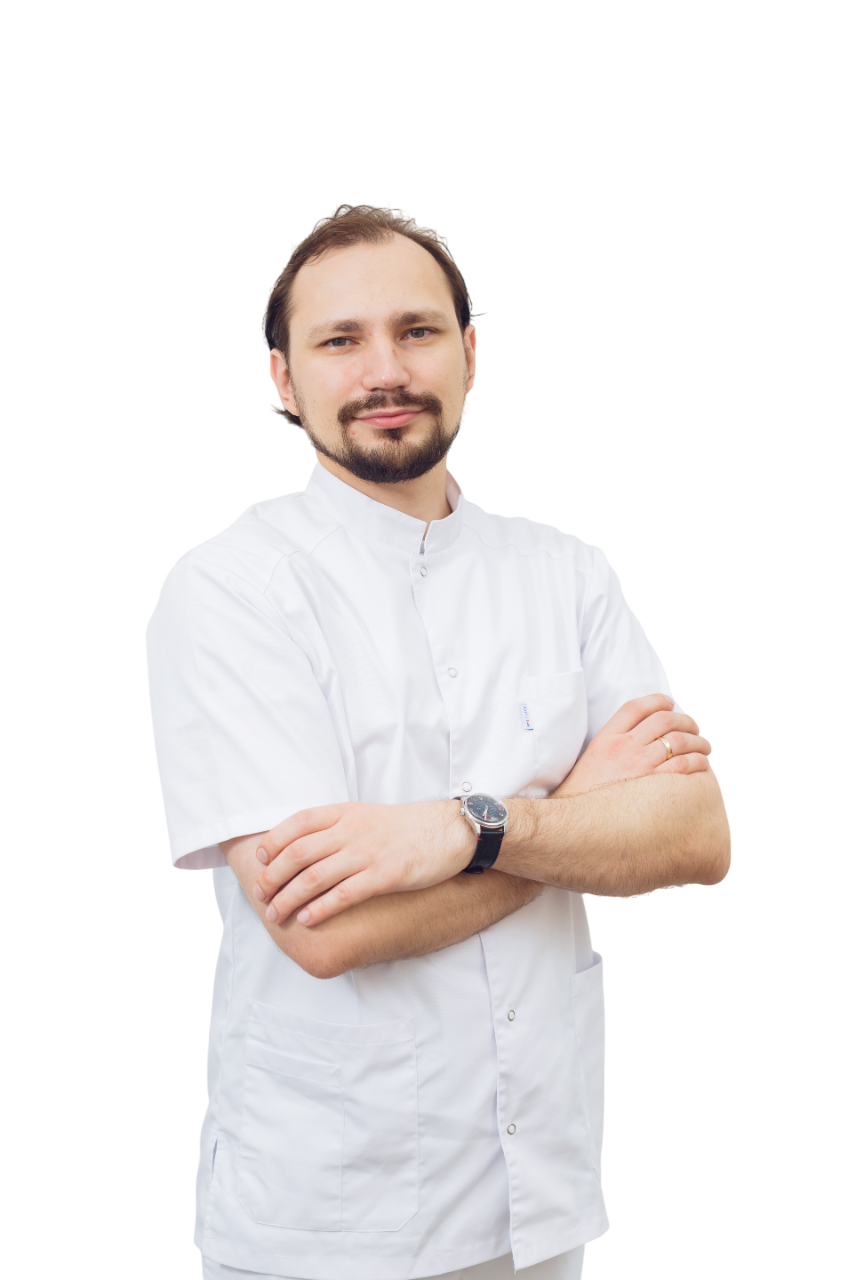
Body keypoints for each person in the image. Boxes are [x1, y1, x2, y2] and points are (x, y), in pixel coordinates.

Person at [145, 204, 731, 1280]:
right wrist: (564, 817)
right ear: (283, 379)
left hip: (539, 1199)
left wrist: (460, 829)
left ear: (467, 355)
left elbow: (694, 835)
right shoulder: (230, 589)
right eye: (339, 339)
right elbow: (326, 931)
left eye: (416, 331)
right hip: (325, 1217)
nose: (385, 370)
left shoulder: (567, 573)